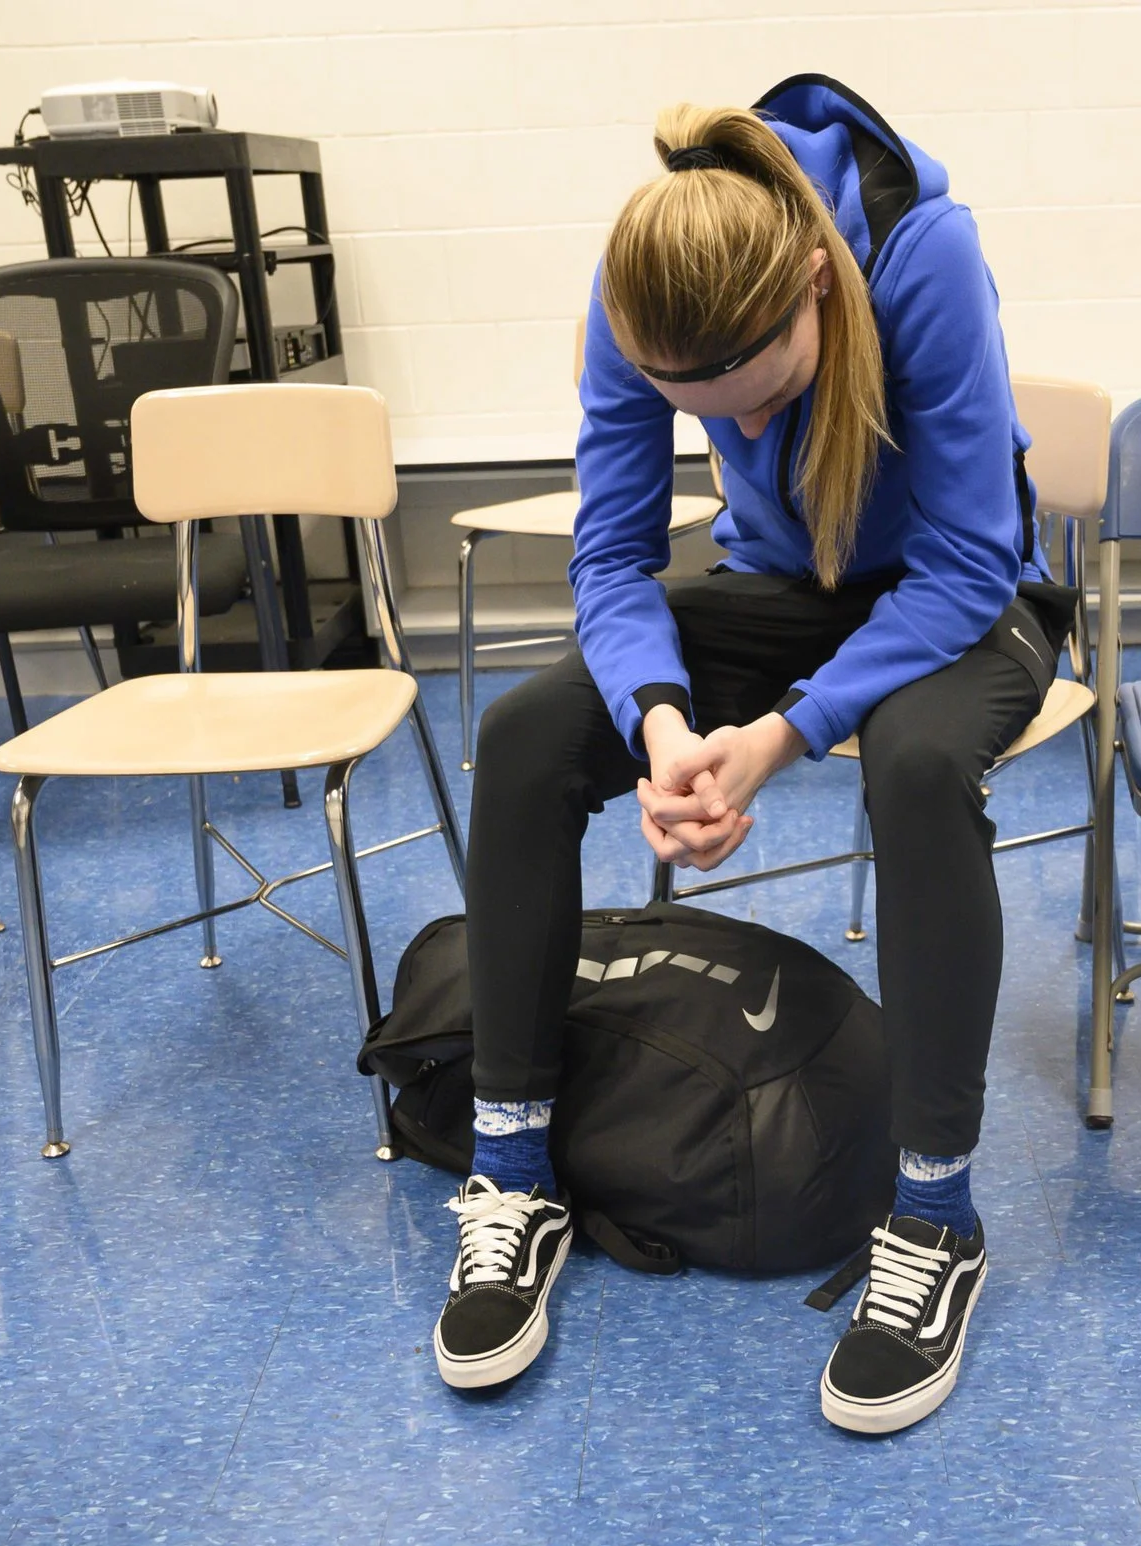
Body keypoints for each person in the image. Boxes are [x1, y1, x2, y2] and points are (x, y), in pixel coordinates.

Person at [434, 76, 1056, 1436]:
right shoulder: (630, 286)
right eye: (704, 405)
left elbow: (962, 563)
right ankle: (514, 1168)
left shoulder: (921, 259)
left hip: (971, 599)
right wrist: (663, 722)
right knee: (529, 733)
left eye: (761, 393)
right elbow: (611, 554)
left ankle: (937, 1215)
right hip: (786, 586)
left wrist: (778, 738)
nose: (750, 432)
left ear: (815, 298)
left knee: (912, 765)